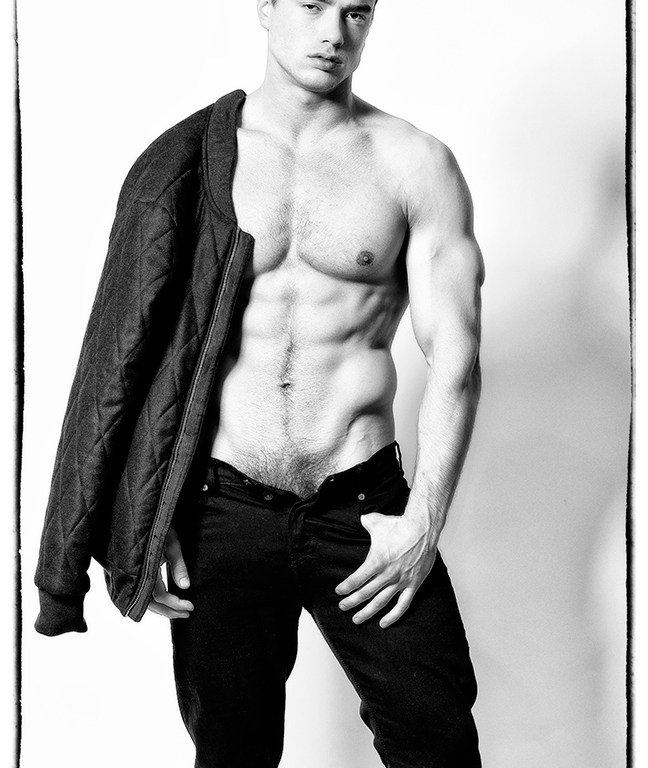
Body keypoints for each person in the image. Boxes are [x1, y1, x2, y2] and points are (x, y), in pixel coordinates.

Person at [35, 1, 484, 766]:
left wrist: (423, 523)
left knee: (436, 741)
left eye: (356, 12)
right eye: (311, 5)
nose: (333, 32)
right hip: (222, 510)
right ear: (266, 9)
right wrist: (148, 512)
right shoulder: (191, 163)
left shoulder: (414, 164)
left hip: (363, 512)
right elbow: (127, 350)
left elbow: (457, 360)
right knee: (230, 755)